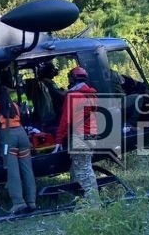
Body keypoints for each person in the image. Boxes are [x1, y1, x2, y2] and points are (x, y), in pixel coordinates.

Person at [54, 65, 100, 203]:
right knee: (78, 167)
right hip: (91, 135)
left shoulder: (73, 95)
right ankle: (79, 198)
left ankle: (94, 203)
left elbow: (65, 120)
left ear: (72, 79)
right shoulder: (91, 94)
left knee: (84, 170)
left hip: (80, 136)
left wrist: (58, 140)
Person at [0, 82, 37, 214]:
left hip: (8, 137)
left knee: (13, 171)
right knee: (27, 169)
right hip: (22, 134)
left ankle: (18, 203)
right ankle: (31, 201)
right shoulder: (15, 106)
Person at [24, 62, 63, 129]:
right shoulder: (47, 82)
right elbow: (59, 94)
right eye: (53, 69)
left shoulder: (40, 83)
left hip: (42, 115)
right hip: (51, 115)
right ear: (49, 72)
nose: (55, 71)